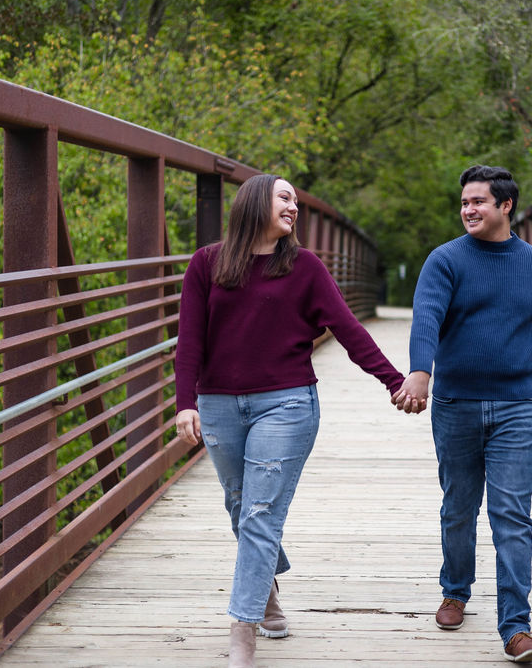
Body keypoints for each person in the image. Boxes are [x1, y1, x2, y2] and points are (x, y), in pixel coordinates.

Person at [174, 174, 407, 668]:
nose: (295, 207)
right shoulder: (207, 263)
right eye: (285, 198)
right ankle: (267, 592)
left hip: (286, 403)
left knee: (260, 513)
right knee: (240, 505)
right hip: (218, 404)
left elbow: (346, 327)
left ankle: (242, 633)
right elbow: (189, 340)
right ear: (256, 200)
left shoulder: (304, 267)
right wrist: (184, 403)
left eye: (298, 202)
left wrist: (393, 380)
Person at [392, 164, 532, 663]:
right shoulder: (445, 260)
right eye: (464, 202)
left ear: (505, 205)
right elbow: (426, 315)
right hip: (454, 404)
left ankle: (516, 626)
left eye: (478, 202)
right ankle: (455, 591)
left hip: (517, 407)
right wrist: (419, 372)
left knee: (512, 515)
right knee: (459, 507)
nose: (468, 209)